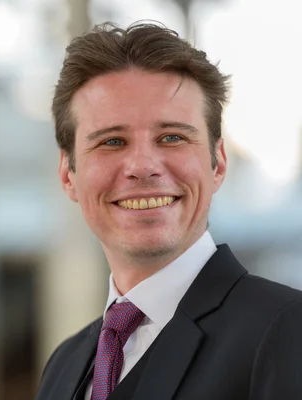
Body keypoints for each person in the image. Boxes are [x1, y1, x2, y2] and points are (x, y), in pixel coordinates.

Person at [35, 22, 302, 400]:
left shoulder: (286, 330)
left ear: (219, 163)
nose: (143, 165)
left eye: (172, 137)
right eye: (112, 141)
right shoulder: (65, 363)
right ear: (68, 174)